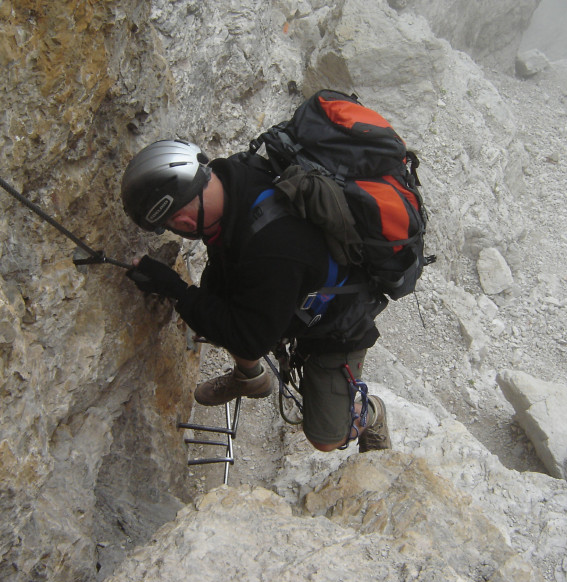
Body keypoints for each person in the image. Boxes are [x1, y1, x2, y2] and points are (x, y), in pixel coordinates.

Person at [121, 139, 391, 452]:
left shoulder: (275, 248)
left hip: (337, 322)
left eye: (170, 226)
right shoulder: (231, 179)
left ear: (183, 222)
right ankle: (251, 378)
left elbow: (250, 339)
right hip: (287, 291)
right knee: (212, 305)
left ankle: (371, 413)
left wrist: (174, 289)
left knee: (326, 438)